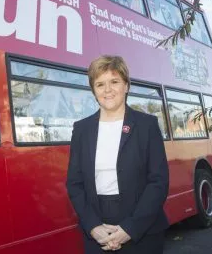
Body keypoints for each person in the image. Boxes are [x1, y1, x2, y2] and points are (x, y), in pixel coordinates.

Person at [66, 55, 169, 253]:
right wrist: (93, 227)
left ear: (126, 86)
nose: (107, 90)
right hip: (97, 231)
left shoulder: (147, 125)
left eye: (114, 82)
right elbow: (74, 184)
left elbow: (158, 181)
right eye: (100, 84)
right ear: (93, 91)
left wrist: (131, 227)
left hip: (142, 230)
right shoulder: (81, 129)